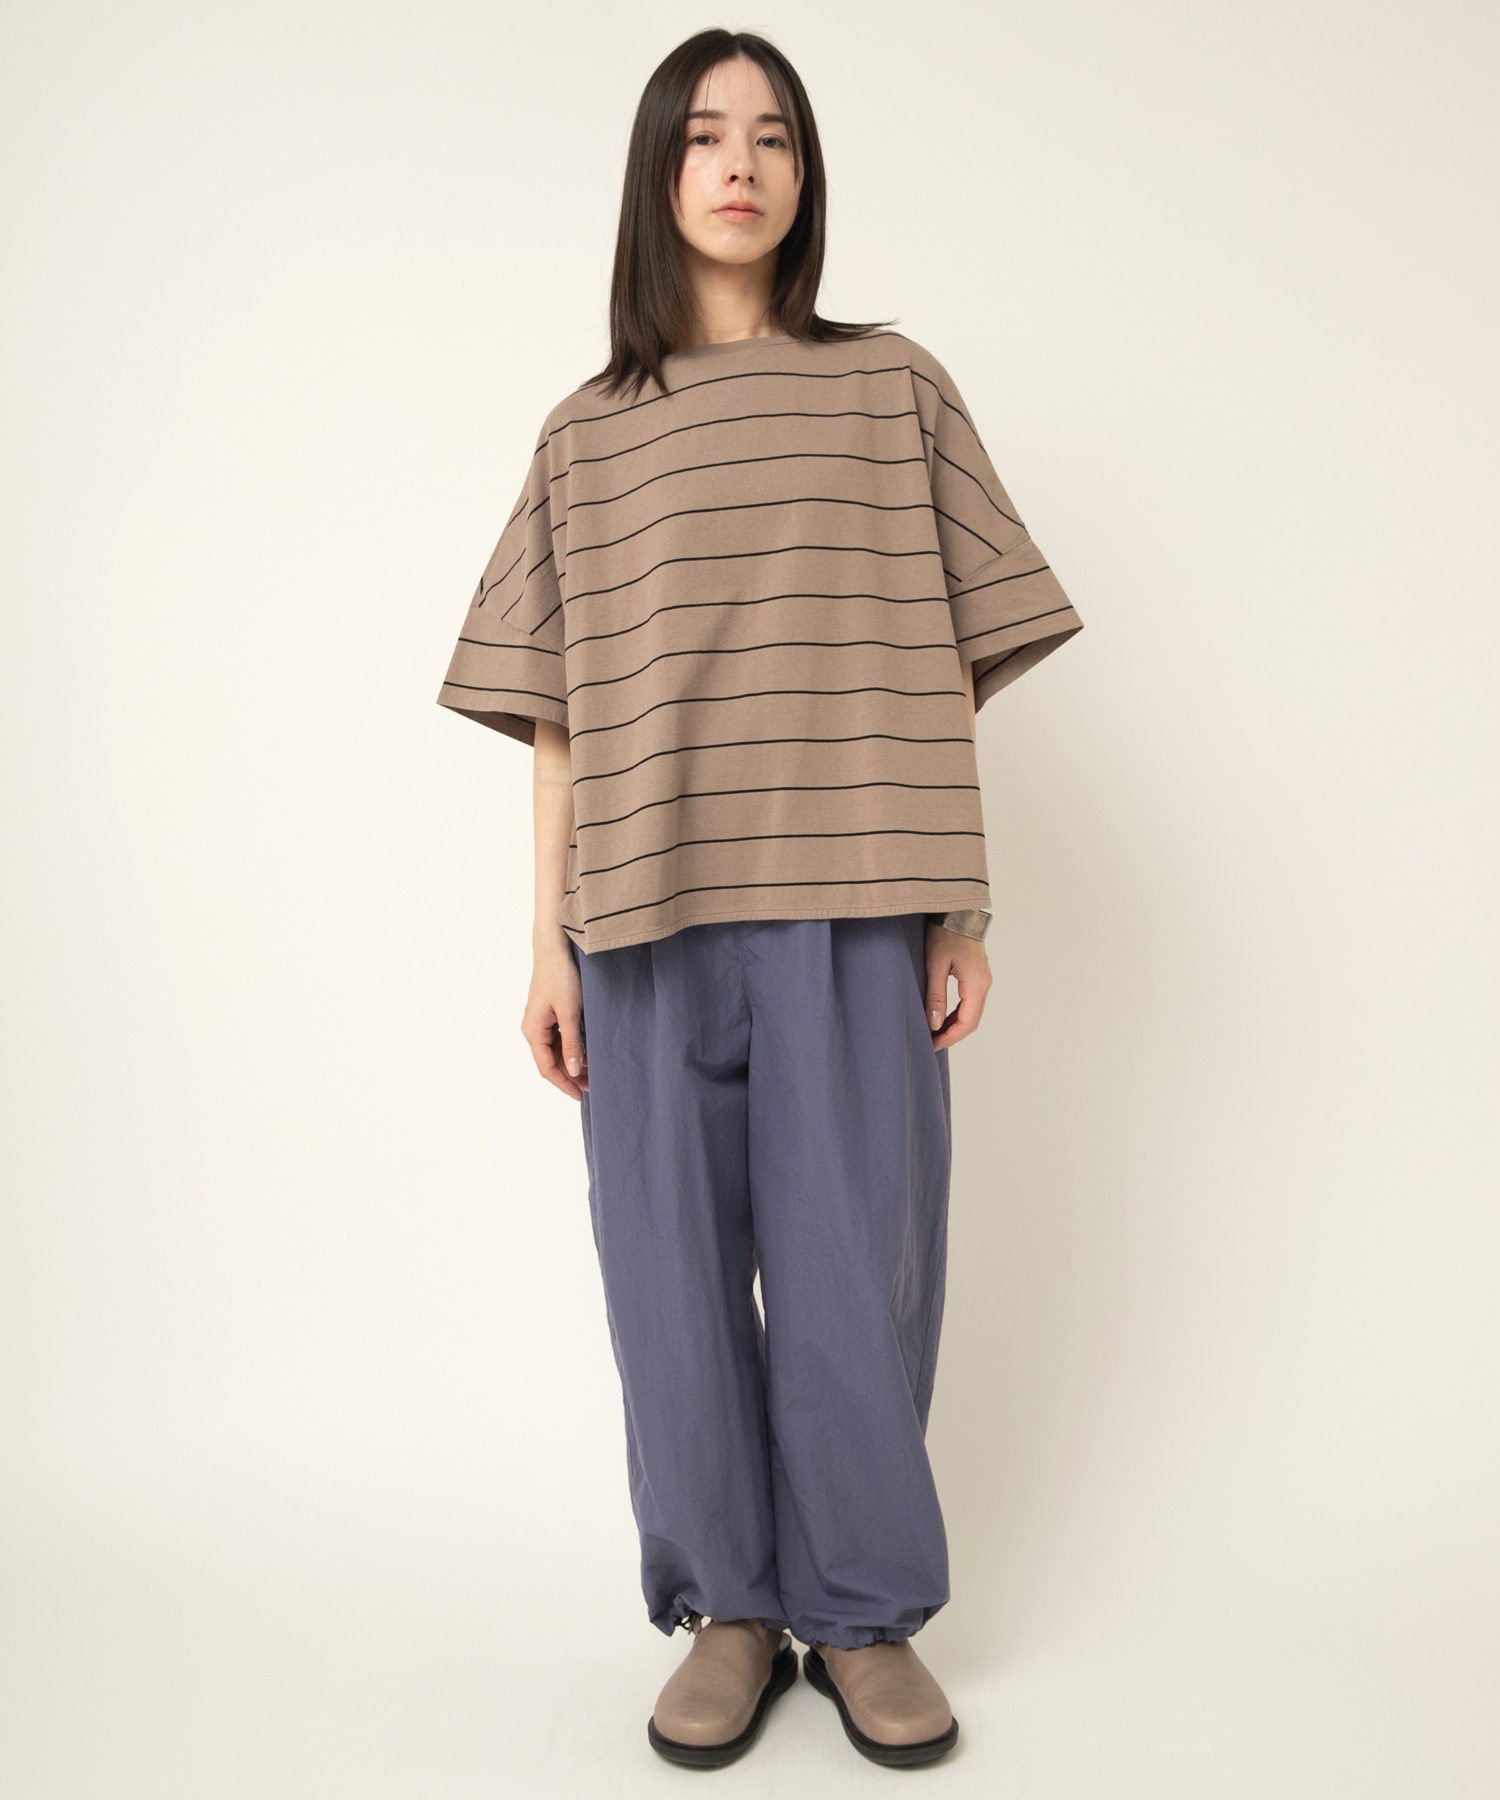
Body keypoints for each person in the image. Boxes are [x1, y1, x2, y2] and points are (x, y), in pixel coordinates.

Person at [436, 27, 1085, 1771]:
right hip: (644, 916)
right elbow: (557, 717)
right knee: (665, 1276)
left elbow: (952, 662)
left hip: (859, 905)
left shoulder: (893, 389)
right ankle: (727, 1607)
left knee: (854, 1263)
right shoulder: (587, 435)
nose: (742, 164)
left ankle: (860, 1615)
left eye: (775, 136)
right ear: (657, 175)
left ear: (806, 175)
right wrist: (545, 942)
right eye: (707, 136)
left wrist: (961, 910)